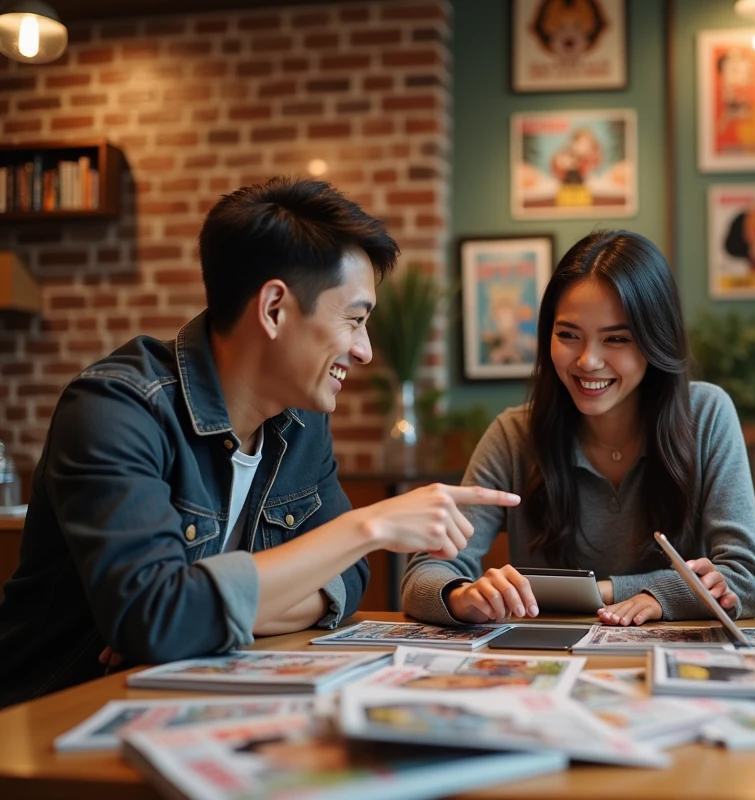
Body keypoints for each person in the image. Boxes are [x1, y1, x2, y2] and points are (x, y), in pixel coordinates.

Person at [0, 177, 518, 708]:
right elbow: (154, 618)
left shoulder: (300, 423)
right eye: (355, 320)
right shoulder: (116, 408)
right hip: (53, 711)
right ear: (274, 309)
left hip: (177, 701)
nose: (364, 350)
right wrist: (369, 526)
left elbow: (348, 578)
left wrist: (203, 620)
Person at [401, 230, 755, 626]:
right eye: (568, 335)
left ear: (655, 340)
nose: (588, 361)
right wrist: (462, 595)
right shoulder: (513, 435)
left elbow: (744, 580)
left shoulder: (706, 415)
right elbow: (422, 577)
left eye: (616, 339)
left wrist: (628, 594)